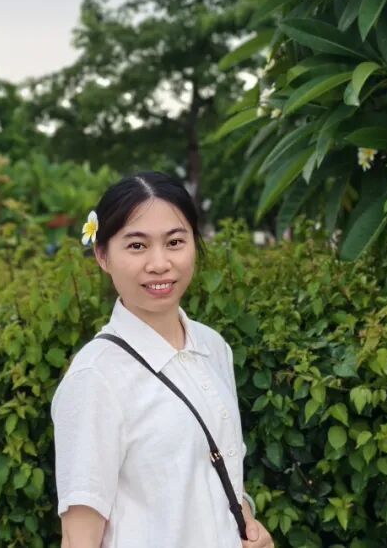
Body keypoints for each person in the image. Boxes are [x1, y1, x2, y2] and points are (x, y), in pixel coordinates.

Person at [52, 171, 274, 548]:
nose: (159, 263)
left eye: (174, 242)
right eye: (137, 245)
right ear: (103, 255)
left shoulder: (213, 347)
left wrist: (247, 518)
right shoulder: (95, 376)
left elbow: (210, 472)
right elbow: (79, 537)